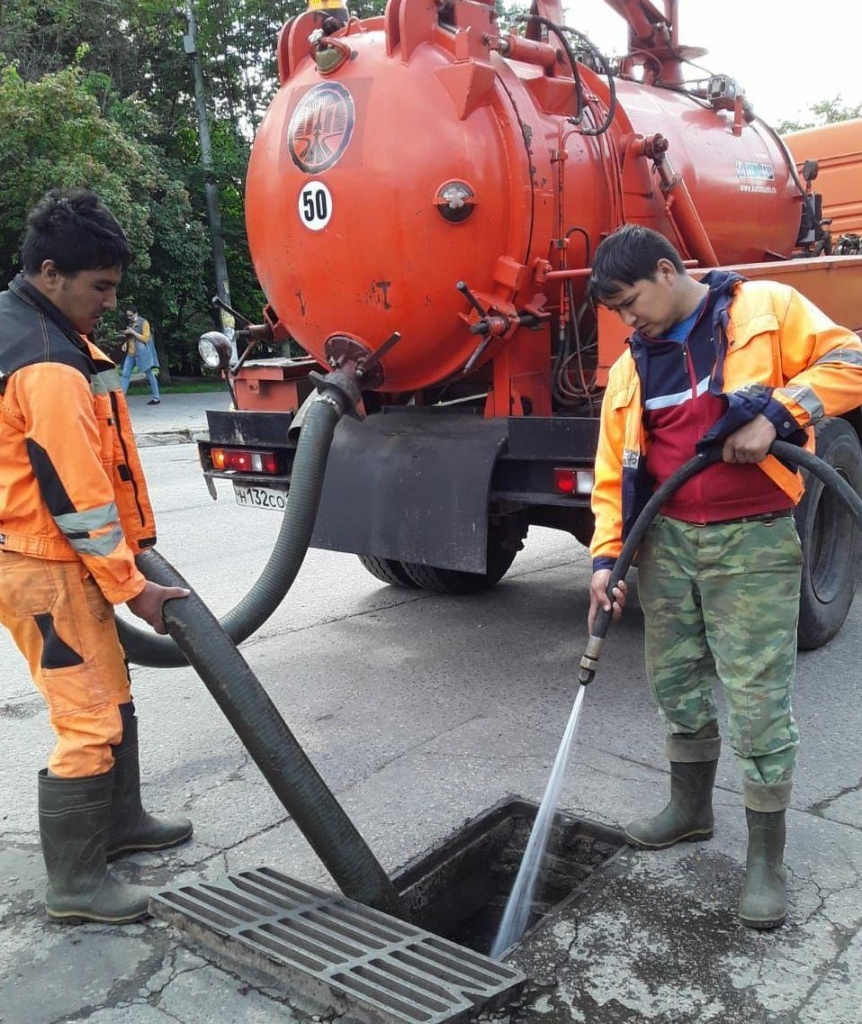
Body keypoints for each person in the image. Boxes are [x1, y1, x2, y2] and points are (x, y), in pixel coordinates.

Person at [586, 224, 862, 930]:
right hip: (667, 547)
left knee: (759, 701)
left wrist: (778, 413)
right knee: (674, 684)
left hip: (753, 542)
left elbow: (851, 359)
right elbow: (617, 477)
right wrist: (607, 559)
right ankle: (689, 809)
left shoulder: (765, 310)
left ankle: (766, 858)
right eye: (614, 311)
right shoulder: (631, 367)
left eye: (629, 302)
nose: (625, 320)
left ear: (668, 269)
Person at [0, 188, 192, 925]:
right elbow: (77, 497)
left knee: (112, 693)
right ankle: (76, 888)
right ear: (51, 273)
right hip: (43, 571)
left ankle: (119, 824)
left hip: (51, 561)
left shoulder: (35, 329)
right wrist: (131, 585)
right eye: (100, 287)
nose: (111, 302)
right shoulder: (46, 361)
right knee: (86, 721)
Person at [120, 304, 160, 403]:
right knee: (125, 375)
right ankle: (120, 399)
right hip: (130, 353)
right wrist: (126, 343)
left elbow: (145, 339)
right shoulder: (131, 323)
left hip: (142, 353)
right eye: (128, 316)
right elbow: (131, 338)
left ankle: (156, 398)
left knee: (149, 375)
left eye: (131, 315)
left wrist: (132, 332)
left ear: (136, 313)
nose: (129, 317)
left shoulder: (144, 323)